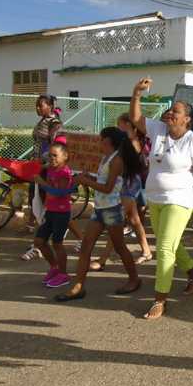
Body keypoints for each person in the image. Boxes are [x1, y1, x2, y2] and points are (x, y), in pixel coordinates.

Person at [128, 78, 193, 320]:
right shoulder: (158, 129)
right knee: (173, 244)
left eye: (176, 111)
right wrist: (136, 93)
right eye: (171, 109)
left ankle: (160, 299)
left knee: (164, 248)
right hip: (155, 197)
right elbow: (135, 119)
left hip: (180, 199)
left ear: (187, 119)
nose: (171, 113)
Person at [55, 127, 142, 301]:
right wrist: (90, 178)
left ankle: (134, 279)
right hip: (100, 209)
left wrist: (86, 181)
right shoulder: (106, 158)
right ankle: (78, 286)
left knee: (119, 247)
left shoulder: (116, 160)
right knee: (86, 247)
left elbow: (109, 188)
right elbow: (103, 182)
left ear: (109, 141)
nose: (99, 142)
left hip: (111, 209)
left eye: (101, 139)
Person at [88, 114, 153, 270]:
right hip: (124, 183)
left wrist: (130, 135)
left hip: (129, 183)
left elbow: (138, 158)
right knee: (133, 218)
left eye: (120, 124)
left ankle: (103, 259)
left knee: (117, 220)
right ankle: (146, 250)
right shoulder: (121, 141)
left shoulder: (133, 140)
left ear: (129, 125)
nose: (118, 127)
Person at [21, 94, 64, 261]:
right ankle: (41, 240)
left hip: (46, 168)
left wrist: (46, 163)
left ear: (50, 106)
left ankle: (39, 243)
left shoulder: (54, 123)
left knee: (45, 203)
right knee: (36, 200)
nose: (38, 108)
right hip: (38, 167)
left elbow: (56, 145)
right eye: (37, 105)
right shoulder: (43, 121)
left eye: (41, 105)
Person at [32, 142, 74, 288]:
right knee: (39, 241)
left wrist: (42, 182)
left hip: (61, 213)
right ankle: (54, 267)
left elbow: (59, 193)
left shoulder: (64, 173)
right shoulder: (51, 168)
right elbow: (40, 167)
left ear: (65, 156)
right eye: (50, 155)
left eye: (55, 155)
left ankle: (63, 274)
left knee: (57, 244)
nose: (51, 158)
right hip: (50, 211)